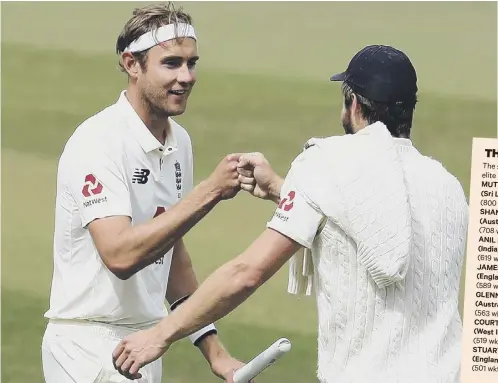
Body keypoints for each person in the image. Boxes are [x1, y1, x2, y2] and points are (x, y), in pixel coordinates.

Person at [111, 45, 469, 383]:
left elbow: (246, 273)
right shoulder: (448, 186)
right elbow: (378, 226)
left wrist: (159, 336)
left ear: (355, 105)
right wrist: (285, 191)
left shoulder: (328, 162)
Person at [41, 3, 253, 383]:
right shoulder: (99, 142)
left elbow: (171, 254)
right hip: (89, 345)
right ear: (131, 64)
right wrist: (210, 191)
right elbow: (120, 255)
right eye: (171, 63)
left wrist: (215, 352)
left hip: (144, 345)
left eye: (192, 63)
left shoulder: (179, 143)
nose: (186, 76)